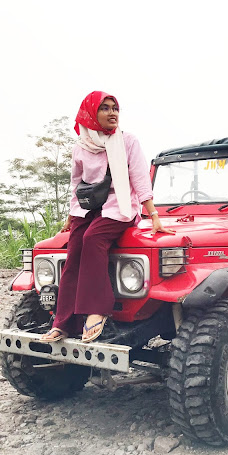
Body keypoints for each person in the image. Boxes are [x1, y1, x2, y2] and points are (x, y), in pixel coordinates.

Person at [39, 91, 173, 343]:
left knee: (92, 239)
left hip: (118, 207)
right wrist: (71, 215)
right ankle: (64, 322)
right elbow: (76, 183)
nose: (113, 113)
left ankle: (97, 309)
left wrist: (153, 215)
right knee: (73, 253)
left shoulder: (127, 141)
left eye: (115, 108)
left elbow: (141, 179)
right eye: (105, 108)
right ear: (91, 114)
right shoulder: (81, 146)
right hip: (88, 209)